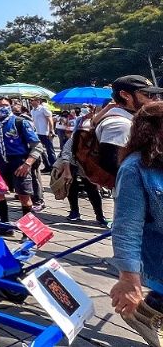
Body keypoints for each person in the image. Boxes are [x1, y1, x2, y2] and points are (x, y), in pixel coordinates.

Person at [110, 101, 163, 345]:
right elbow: (126, 229)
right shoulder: (134, 169)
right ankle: (143, 310)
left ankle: (145, 311)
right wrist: (129, 279)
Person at [0, 96, 46, 235]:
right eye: (0, 105)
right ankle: (4, 225)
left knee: (24, 197)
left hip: (19, 162)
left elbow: (38, 146)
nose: (4, 107)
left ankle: (29, 232)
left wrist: (27, 164)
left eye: (6, 104)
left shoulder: (20, 122)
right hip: (0, 162)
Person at [94, 75, 162, 180]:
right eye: (148, 94)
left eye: (155, 95)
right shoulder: (119, 124)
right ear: (125, 95)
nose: (156, 99)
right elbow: (111, 164)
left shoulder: (129, 119)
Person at [56, 122, 108, 226]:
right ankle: (74, 211)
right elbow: (66, 155)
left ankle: (100, 215)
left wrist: (100, 177)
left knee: (93, 192)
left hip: (90, 168)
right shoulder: (74, 140)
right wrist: (67, 172)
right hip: (74, 166)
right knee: (72, 189)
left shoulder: (98, 141)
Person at [29, 97, 56, 171]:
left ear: (38, 101)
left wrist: (51, 131)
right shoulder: (32, 111)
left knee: (50, 150)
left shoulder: (43, 109)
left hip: (45, 132)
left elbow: (50, 120)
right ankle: (47, 165)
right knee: (40, 150)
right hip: (37, 132)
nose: (31, 102)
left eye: (32, 100)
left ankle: (54, 167)